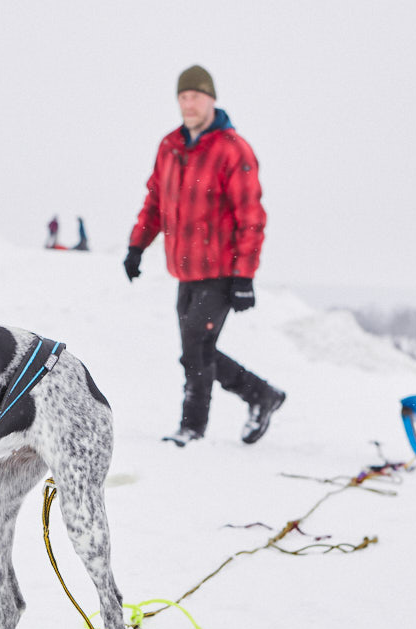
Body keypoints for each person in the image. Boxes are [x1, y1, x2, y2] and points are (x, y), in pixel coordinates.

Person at [124, 64, 285, 447]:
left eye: (196, 96)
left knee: (196, 347)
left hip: (221, 270)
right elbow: (155, 202)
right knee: (196, 350)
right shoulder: (170, 147)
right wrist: (136, 247)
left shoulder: (233, 149)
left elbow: (251, 216)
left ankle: (192, 428)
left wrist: (244, 276)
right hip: (184, 268)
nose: (189, 103)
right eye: (183, 96)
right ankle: (262, 395)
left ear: (212, 99)